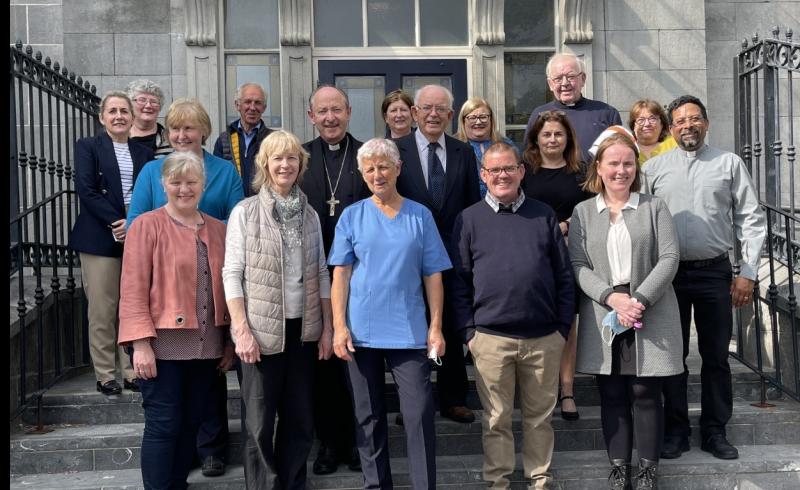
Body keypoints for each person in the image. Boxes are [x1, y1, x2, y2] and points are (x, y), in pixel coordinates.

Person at [644, 95, 766, 461]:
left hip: (715, 272)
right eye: (680, 121)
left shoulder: (729, 164)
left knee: (715, 356)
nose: (688, 126)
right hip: (668, 275)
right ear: (671, 129)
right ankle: (676, 430)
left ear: (706, 123)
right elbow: (642, 223)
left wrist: (747, 273)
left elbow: (750, 218)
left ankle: (715, 431)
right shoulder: (653, 169)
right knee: (672, 357)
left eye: (694, 119)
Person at [128, 97, 243, 477]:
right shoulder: (147, 225)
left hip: (206, 345)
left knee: (192, 423)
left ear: (203, 185)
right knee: (164, 426)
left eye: (191, 182)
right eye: (176, 182)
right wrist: (140, 343)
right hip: (162, 343)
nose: (183, 189)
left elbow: (226, 285)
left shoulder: (218, 229)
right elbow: (133, 288)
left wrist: (228, 340)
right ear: (164, 185)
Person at [328, 137, 451, 490]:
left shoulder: (420, 215)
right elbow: (340, 276)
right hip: (360, 331)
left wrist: (436, 327)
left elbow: (433, 274)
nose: (377, 174)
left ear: (398, 168)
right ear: (362, 174)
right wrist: (339, 326)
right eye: (369, 169)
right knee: (368, 417)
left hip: (409, 330)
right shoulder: (352, 216)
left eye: (384, 167)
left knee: (419, 413)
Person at [450, 142, 574, 489]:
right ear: (483, 175)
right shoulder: (469, 219)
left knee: (539, 418)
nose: (501, 175)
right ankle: (498, 482)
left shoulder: (543, 214)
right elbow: (459, 282)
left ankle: (540, 479)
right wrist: (469, 333)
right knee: (496, 419)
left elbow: (564, 276)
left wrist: (562, 328)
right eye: (494, 170)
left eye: (508, 168)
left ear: (521, 171)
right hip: (490, 338)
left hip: (543, 337)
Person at [569, 132, 683, 489]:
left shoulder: (654, 206)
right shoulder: (583, 212)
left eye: (628, 163)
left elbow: (670, 257)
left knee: (645, 392)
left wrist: (639, 301)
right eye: (614, 163)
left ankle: (648, 471)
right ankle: (619, 469)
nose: (621, 170)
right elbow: (578, 265)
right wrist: (612, 298)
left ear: (637, 167)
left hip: (649, 307)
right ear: (599, 168)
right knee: (612, 393)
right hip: (604, 311)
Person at [222, 130, 333, 489]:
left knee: (299, 419)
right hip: (260, 333)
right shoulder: (245, 212)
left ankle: (293, 483)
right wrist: (241, 330)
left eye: (292, 158)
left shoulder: (310, 215)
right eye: (277, 158)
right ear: (264, 165)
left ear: (301, 164)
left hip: (302, 332)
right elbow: (232, 273)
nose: (285, 164)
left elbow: (321, 272)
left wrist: (327, 328)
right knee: (258, 423)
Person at [394, 84, 481, 425]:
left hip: (454, 256)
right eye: (426, 108)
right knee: (413, 330)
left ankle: (453, 399)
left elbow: (472, 205)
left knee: (452, 325)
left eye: (440, 109)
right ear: (415, 113)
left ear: (450, 114)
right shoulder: (396, 150)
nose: (433, 114)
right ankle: (414, 401)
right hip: (408, 256)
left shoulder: (463, 152)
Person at [301, 85, 369, 475]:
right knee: (323, 366)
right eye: (322, 111)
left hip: (359, 277)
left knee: (356, 367)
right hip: (313, 277)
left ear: (348, 112)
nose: (330, 118)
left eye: (336, 110)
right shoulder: (300, 158)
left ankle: (359, 444)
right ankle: (328, 444)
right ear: (312, 116)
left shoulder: (366, 156)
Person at [69, 90, 154, 396]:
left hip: (136, 233)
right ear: (102, 117)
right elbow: (87, 189)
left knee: (132, 306)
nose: (119, 116)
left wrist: (133, 222)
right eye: (112, 111)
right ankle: (105, 374)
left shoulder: (144, 152)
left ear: (132, 117)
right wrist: (118, 222)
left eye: (124, 111)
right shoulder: (88, 146)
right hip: (99, 236)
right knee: (103, 309)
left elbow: (148, 191)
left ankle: (131, 371)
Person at [521, 109, 592, 422]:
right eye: (546, 134)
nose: (552, 139)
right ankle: (539, 390)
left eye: (558, 134)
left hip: (570, 254)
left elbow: (593, 209)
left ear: (568, 138)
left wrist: (566, 226)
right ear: (536, 138)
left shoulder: (581, 171)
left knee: (567, 323)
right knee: (536, 321)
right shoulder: (525, 170)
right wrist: (550, 231)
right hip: (533, 255)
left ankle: (567, 391)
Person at [524, 53, 622, 164]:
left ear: (583, 79)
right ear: (550, 84)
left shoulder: (606, 113)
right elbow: (529, 157)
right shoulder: (540, 115)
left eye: (571, 77)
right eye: (558, 79)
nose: (565, 83)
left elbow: (620, 154)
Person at [213, 83, 274, 196]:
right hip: (233, 203)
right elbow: (217, 178)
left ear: (264, 108)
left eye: (258, 103)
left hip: (264, 203)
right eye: (247, 102)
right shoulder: (224, 140)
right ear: (237, 105)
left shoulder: (273, 139)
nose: (252, 108)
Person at [455, 96, 516, 197]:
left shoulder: (506, 144)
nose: (478, 122)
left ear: (491, 119)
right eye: (472, 118)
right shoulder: (454, 147)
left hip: (503, 201)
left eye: (483, 117)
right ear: (463, 121)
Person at [126, 79, 172, 157]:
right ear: (130, 105)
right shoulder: (119, 137)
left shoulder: (170, 140)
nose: (148, 106)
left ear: (160, 107)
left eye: (153, 101)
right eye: (142, 100)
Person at [627, 99, 677, 165]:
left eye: (652, 119)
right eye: (641, 120)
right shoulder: (627, 147)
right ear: (633, 125)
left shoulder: (675, 144)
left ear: (662, 123)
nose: (647, 124)